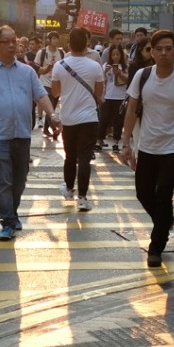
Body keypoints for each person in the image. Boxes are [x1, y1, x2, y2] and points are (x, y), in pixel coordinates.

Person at [119, 29, 174, 267]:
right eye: (159, 49)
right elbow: (131, 109)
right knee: (143, 193)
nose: (164, 53)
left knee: (164, 193)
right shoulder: (143, 76)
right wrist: (126, 142)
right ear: (152, 53)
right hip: (147, 144)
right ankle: (165, 220)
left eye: (169, 49)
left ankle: (156, 246)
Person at [0, 26, 56, 240]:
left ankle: (13, 212)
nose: (11, 45)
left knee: (20, 179)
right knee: (3, 180)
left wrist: (52, 115)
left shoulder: (27, 72)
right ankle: (7, 221)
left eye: (14, 41)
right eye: (6, 42)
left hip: (22, 134)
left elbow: (41, 95)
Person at [51, 28, 104, 212]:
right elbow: (99, 94)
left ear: (68, 44)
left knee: (70, 156)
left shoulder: (60, 66)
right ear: (86, 44)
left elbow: (55, 92)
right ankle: (82, 198)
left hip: (69, 119)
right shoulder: (95, 66)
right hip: (89, 118)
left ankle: (68, 189)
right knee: (84, 158)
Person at [33, 32, 64, 139]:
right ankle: (55, 129)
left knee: (52, 107)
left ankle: (46, 129)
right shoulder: (42, 52)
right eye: (54, 38)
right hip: (44, 82)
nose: (56, 40)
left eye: (57, 38)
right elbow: (36, 67)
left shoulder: (61, 52)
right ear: (49, 40)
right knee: (49, 104)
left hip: (56, 84)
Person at [98, 44, 128, 151]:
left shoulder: (124, 67)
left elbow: (127, 80)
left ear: (121, 55)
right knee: (103, 119)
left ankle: (116, 141)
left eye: (117, 54)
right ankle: (100, 140)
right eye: (113, 54)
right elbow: (101, 81)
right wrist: (105, 72)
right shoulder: (105, 65)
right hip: (107, 96)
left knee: (118, 121)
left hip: (120, 97)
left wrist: (119, 73)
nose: (115, 56)